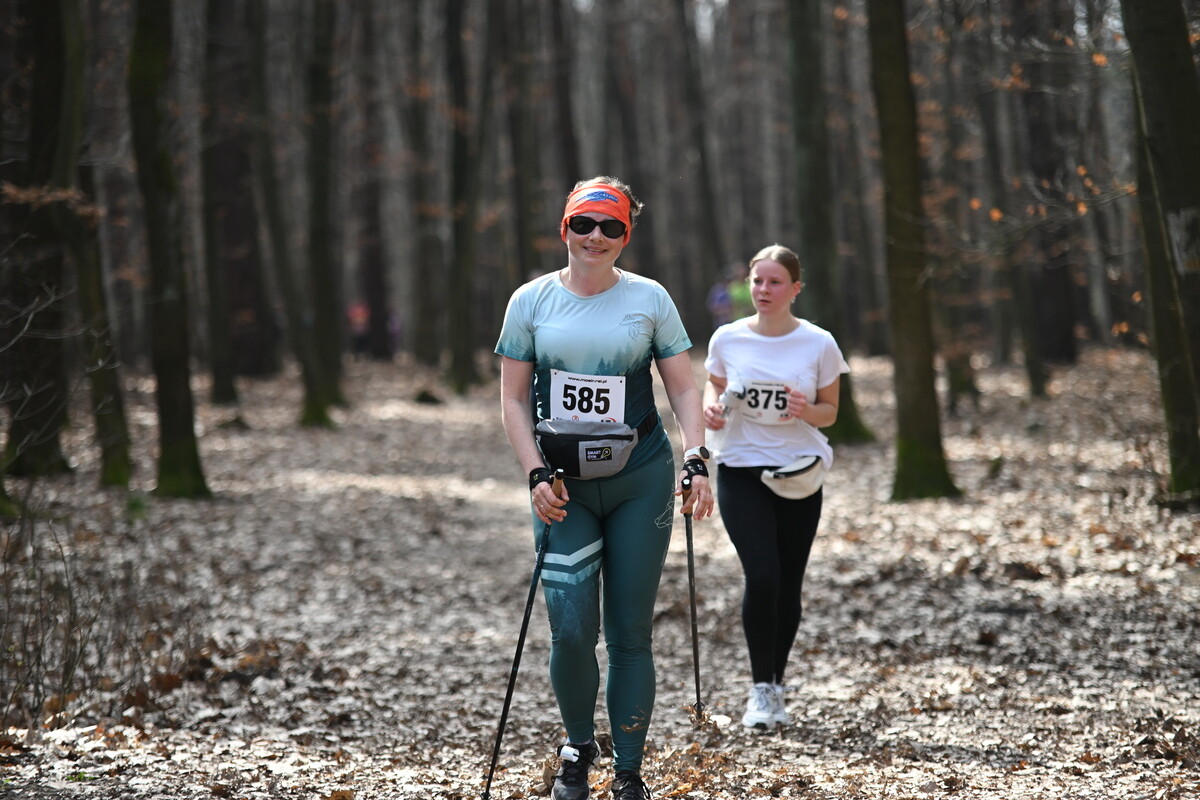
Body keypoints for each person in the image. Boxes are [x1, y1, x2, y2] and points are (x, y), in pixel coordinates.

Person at [496, 176, 715, 800]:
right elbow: (512, 400)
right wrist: (533, 473)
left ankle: (629, 773)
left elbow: (683, 387)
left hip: (638, 482)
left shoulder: (650, 298)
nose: (596, 236)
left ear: (626, 235)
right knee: (570, 631)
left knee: (628, 633)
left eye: (611, 226)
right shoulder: (531, 301)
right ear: (565, 228)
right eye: (584, 224)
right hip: (561, 489)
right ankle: (577, 749)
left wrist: (697, 457)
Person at [701, 244, 849, 731]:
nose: (763, 290)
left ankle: (777, 684)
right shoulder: (728, 337)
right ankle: (760, 687)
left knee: (788, 582)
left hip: (799, 470)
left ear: (795, 288)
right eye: (757, 281)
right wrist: (711, 409)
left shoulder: (819, 343)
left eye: (775, 282)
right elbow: (713, 385)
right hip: (741, 468)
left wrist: (806, 409)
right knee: (762, 575)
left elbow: (831, 412)